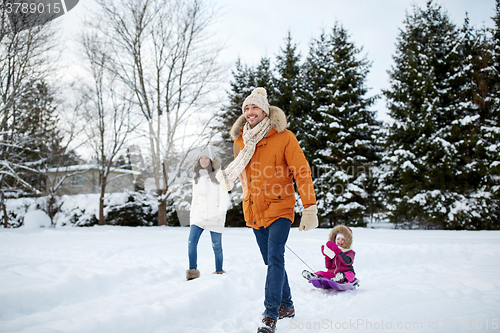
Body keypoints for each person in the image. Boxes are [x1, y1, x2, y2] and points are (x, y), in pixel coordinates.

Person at [216, 87, 318, 333]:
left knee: (275, 259)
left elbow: (301, 172)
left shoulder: (284, 137)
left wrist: (309, 207)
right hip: (254, 209)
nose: (250, 112)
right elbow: (244, 177)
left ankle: (270, 316)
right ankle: (288, 305)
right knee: (271, 261)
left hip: (280, 206)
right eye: (246, 108)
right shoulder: (240, 141)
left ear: (265, 110)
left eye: (255, 107)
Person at [186, 148, 229, 280]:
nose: (203, 160)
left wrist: (221, 215)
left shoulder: (219, 176)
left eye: (206, 158)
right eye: (201, 158)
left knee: (216, 246)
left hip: (214, 216)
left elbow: (224, 198)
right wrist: (192, 216)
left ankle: (219, 271)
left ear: (211, 160)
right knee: (191, 242)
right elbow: (195, 198)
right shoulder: (196, 177)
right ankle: (192, 271)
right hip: (198, 215)